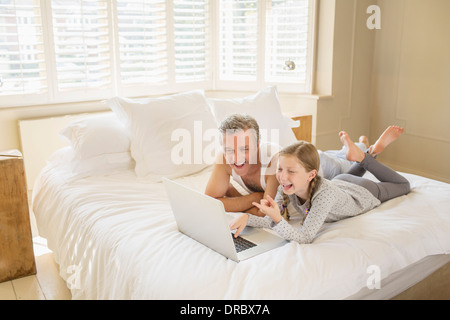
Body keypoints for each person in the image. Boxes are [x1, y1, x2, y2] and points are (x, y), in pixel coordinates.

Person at [229, 130, 410, 244]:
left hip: (361, 191)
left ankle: (366, 156)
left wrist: (277, 220)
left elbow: (306, 237)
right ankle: (368, 152)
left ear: (311, 175)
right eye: (280, 169)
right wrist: (247, 218)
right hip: (340, 182)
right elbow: (271, 219)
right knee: (341, 181)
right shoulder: (286, 186)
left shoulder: (323, 195)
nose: (282, 177)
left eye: (291, 171)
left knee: (403, 185)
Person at [205, 114, 280, 217]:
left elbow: (264, 214)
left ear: (257, 145)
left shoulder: (274, 163)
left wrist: (233, 196)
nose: (237, 158)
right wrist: (253, 198)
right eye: (229, 150)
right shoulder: (223, 158)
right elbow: (210, 202)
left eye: (244, 149)